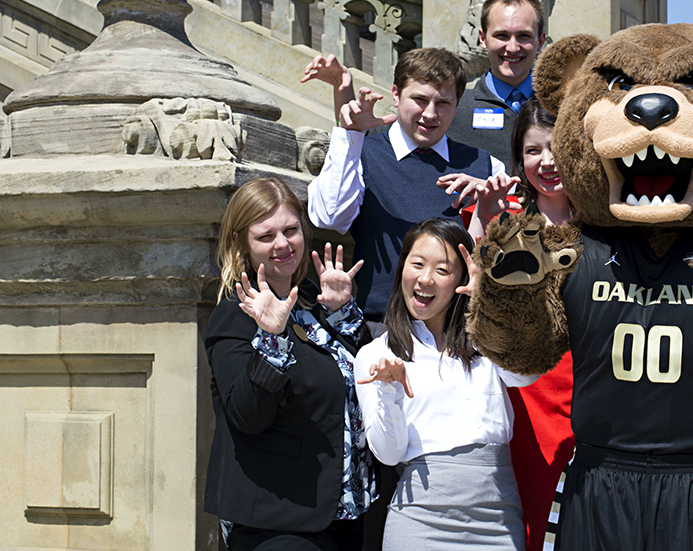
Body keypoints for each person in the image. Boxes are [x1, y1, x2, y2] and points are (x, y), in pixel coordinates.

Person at [203, 177, 372, 551]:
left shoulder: (316, 300)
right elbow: (248, 416)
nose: (282, 244)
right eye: (265, 236)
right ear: (240, 243)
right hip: (278, 523)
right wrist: (272, 340)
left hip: (347, 516)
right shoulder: (234, 317)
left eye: (291, 230)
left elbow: (366, 381)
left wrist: (344, 311)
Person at [354, 218, 535, 550]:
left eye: (442, 270)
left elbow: (525, 375)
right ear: (401, 269)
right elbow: (389, 453)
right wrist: (388, 390)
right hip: (421, 516)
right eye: (418, 264)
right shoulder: (376, 354)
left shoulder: (483, 338)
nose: (425, 279)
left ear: (460, 280)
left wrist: (491, 305)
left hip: (497, 511)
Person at [307, 47, 505, 326]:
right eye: (420, 99)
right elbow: (329, 216)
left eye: (443, 103)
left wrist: (490, 205)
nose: (430, 114)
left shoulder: (484, 166)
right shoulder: (362, 153)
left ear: (458, 104)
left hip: (457, 330)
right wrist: (350, 136)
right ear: (396, 95)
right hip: (379, 327)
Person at [467, 97, 576, 550]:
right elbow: (468, 282)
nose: (546, 162)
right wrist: (482, 218)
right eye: (533, 151)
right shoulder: (507, 222)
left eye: (556, 148)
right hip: (520, 390)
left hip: (587, 385)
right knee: (529, 513)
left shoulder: (604, 224)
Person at [449, 0, 549, 164]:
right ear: (482, 38)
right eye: (501, 35)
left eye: (523, 36)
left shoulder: (560, 109)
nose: (512, 47)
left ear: (540, 41)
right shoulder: (453, 110)